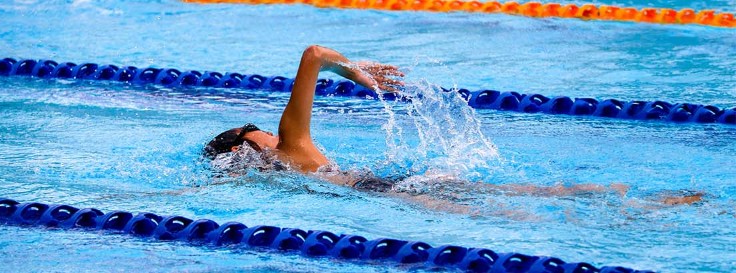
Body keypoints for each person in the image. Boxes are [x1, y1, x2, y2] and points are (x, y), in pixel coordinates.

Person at [201, 45, 703, 211]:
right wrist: (353, 71)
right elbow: (312, 55)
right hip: (389, 187)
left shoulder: (275, 173)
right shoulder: (290, 144)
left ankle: (636, 206)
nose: (267, 129)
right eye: (256, 129)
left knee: (515, 201)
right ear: (249, 142)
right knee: (517, 200)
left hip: (383, 190)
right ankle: (636, 204)